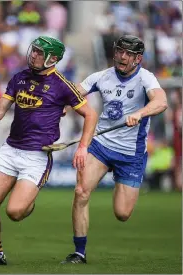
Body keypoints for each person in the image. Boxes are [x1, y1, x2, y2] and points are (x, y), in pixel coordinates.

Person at [0, 36, 98, 265]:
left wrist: (83, 147)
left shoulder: (62, 85)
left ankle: (28, 202)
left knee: (15, 212)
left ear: (52, 59)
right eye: (33, 50)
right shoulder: (19, 78)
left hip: (37, 157)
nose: (33, 55)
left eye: (39, 53)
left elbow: (90, 115)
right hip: (10, 150)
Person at [61, 35, 168, 264]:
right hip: (101, 145)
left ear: (138, 58)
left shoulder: (145, 78)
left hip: (131, 154)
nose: (122, 57)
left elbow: (161, 102)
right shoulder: (102, 76)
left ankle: (120, 181)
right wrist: (63, 105)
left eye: (128, 54)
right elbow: (75, 93)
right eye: (119, 51)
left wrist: (140, 113)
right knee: (81, 192)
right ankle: (79, 252)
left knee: (122, 214)